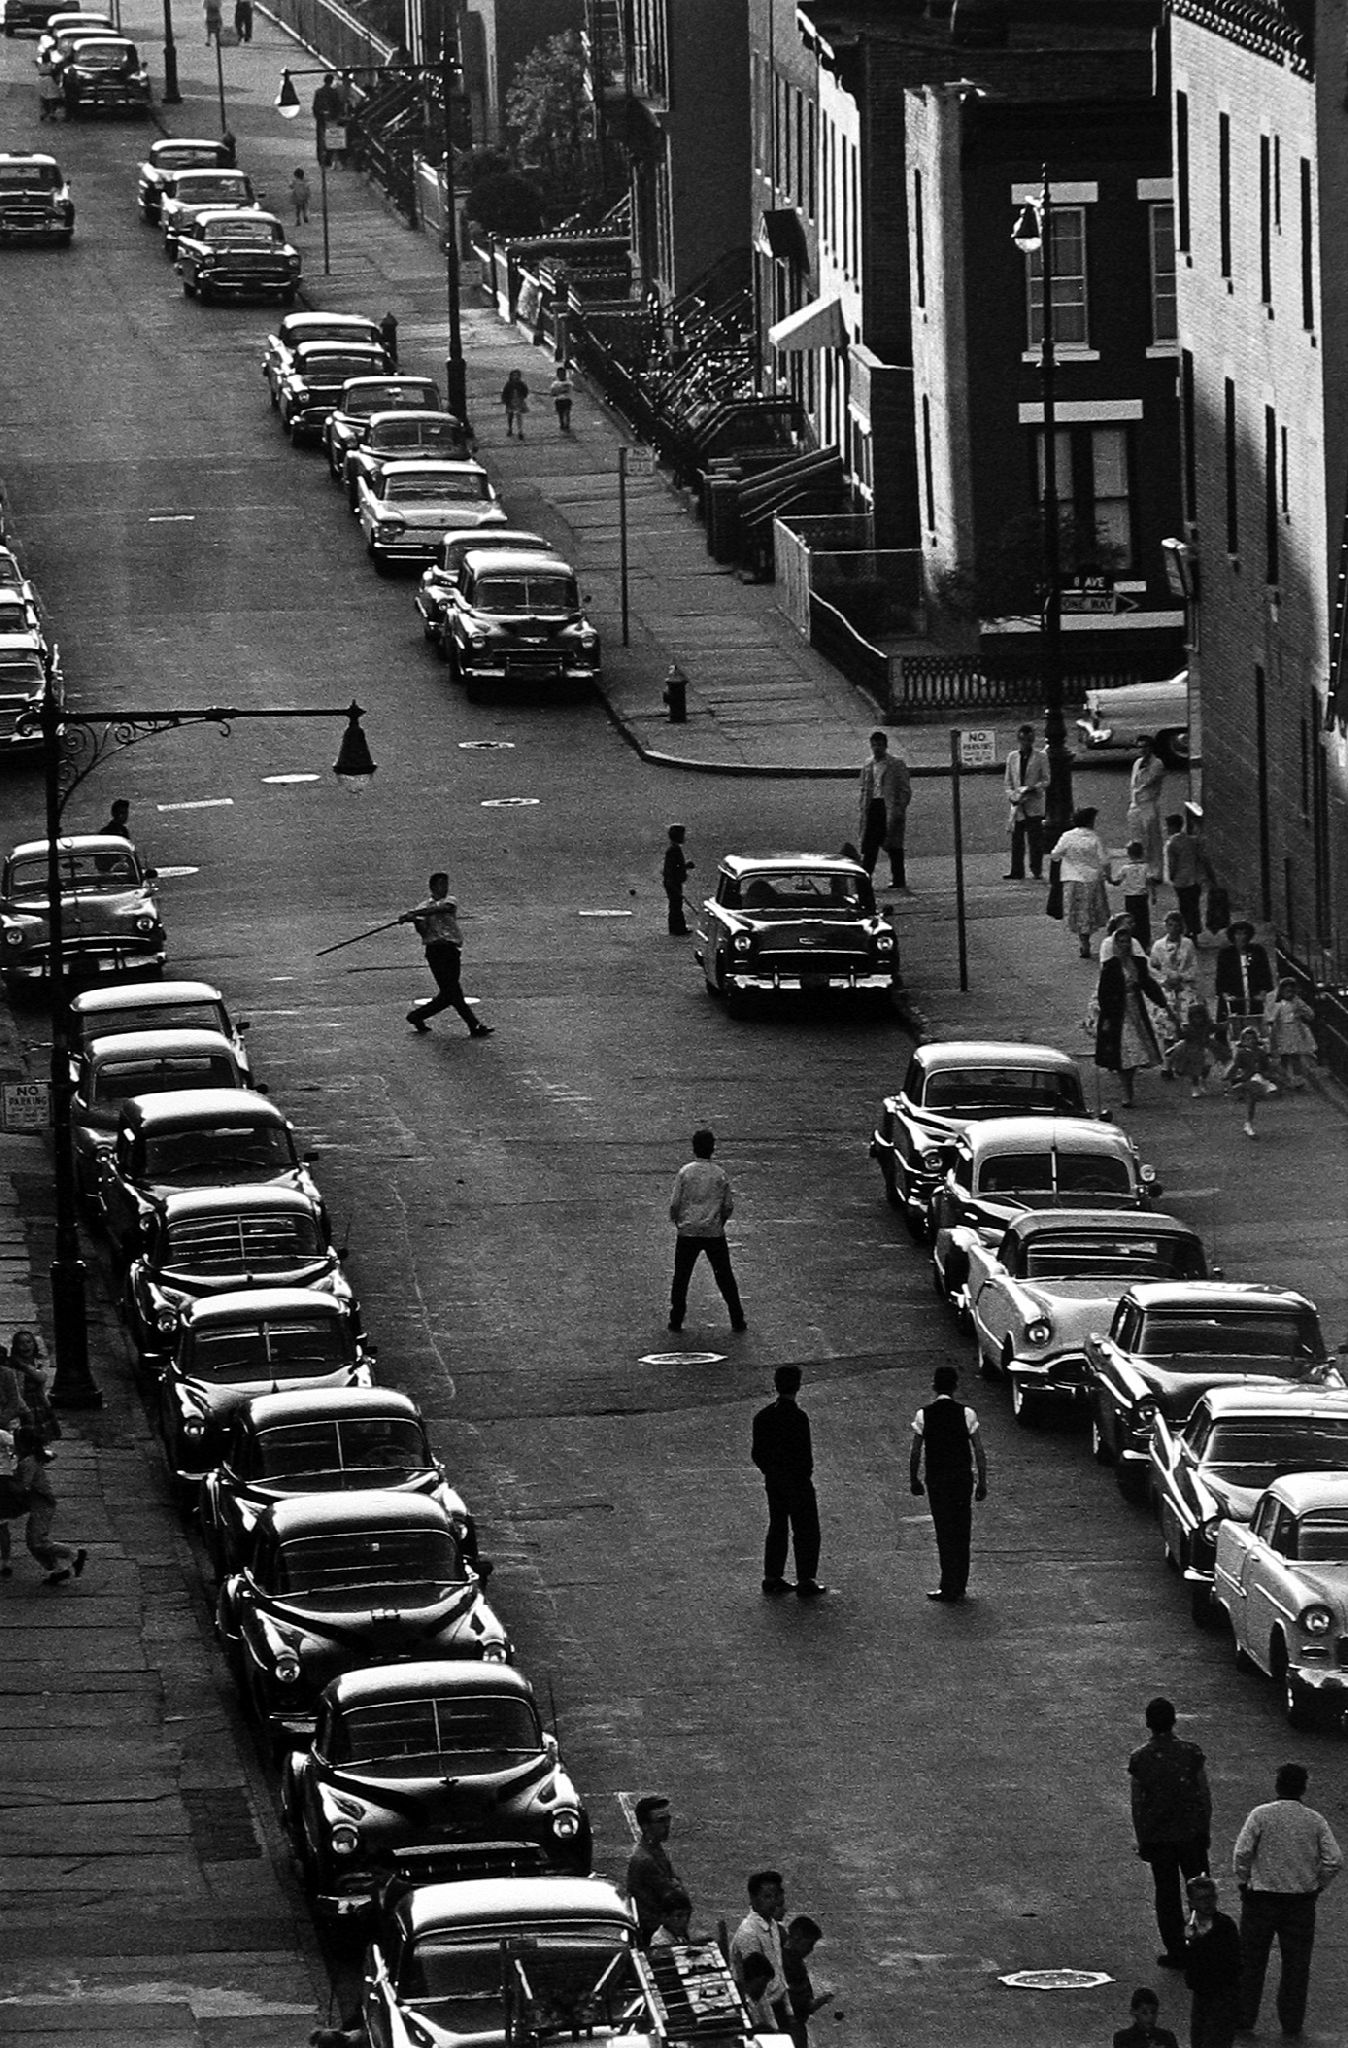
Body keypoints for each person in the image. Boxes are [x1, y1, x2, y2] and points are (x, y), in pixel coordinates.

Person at [1233, 1761, 1342, 2039]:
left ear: (1278, 1785)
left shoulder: (1260, 1816)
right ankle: (1291, 2023)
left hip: (1261, 1899)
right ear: (1303, 1788)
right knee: (1296, 1966)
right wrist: (1316, 1884)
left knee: (1251, 1961)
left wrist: (1244, 1881)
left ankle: (1244, 2017)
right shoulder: (1315, 1820)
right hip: (1300, 1902)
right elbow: (1334, 1860)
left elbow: (1243, 1853)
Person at [1127, 1695, 1212, 1970]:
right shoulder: (1191, 1753)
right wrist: (1204, 1830)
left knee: (1166, 1894)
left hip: (1159, 1838)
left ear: (1148, 1724)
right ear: (1174, 1721)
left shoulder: (1141, 1759)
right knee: (1199, 1890)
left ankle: (1176, 1950)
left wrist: (1143, 1839)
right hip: (1191, 1835)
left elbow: (1138, 1803)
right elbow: (1204, 1795)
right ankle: (1203, 1944)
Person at [909, 1363, 987, 1603]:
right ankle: (959, 1584)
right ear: (955, 1386)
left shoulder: (924, 1415)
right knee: (962, 1530)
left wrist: (914, 1479)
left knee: (944, 1531)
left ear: (934, 1386)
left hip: (938, 1480)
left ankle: (947, 1583)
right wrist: (982, 1482)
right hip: (961, 1478)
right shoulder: (967, 1414)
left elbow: (915, 1451)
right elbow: (979, 1451)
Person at [751, 1365, 825, 1600]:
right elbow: (805, 1454)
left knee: (777, 1526)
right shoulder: (798, 1417)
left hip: (774, 1480)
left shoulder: (763, 1416)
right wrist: (804, 1475)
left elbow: (757, 1453)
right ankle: (806, 1579)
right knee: (806, 1529)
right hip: (797, 1480)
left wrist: (770, 1471)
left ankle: (772, 1576)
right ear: (798, 1386)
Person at [667, 1128, 745, 1334]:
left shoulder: (685, 1172)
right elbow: (728, 1205)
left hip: (688, 1231)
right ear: (712, 1149)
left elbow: (675, 1204)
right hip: (713, 1231)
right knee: (724, 1275)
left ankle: (676, 1319)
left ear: (694, 1148)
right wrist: (719, 1222)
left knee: (682, 1276)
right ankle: (737, 1318)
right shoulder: (719, 1174)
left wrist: (679, 1221)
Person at [398, 873, 494, 1038]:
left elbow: (445, 909)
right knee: (452, 991)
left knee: (449, 993)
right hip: (435, 951)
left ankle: (416, 1016)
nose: (445, 888)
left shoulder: (448, 901)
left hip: (451, 950)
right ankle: (474, 1025)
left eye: (446, 884)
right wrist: (414, 920)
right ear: (433, 887)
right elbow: (423, 932)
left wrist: (415, 912)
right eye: (441, 885)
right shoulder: (423, 906)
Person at [0, 1422, 86, 1586]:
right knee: (33, 1543)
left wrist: (7, 1481)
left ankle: (73, 1554)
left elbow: (22, 1487)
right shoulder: (26, 1460)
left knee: (38, 1541)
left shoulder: (28, 1463)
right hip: (36, 1505)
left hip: (42, 1504)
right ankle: (57, 1570)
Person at [1096, 928, 1169, 1109]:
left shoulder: (1137, 963)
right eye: (1120, 942)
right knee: (1125, 1048)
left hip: (1135, 1009)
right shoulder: (1110, 966)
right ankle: (1126, 1090)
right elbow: (1103, 994)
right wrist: (1105, 1018)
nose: (1124, 945)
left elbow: (1148, 985)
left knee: (1136, 1048)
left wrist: (1163, 1003)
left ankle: (1129, 1082)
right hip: (1117, 1013)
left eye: (1127, 941)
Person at [1183, 1874, 1241, 2048]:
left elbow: (1234, 1961)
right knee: (1199, 2037)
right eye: (1201, 1899)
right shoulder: (1190, 1928)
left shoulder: (1225, 1926)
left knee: (1217, 2038)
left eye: (1211, 1897)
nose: (1207, 1903)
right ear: (1191, 1903)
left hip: (1222, 1994)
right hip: (1201, 1993)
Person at [731, 1871, 789, 2032]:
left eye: (775, 1896)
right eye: (767, 1896)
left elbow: (778, 1970)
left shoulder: (772, 1925)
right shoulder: (748, 1933)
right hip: (761, 2009)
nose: (772, 1902)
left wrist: (788, 2009)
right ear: (753, 1898)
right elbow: (756, 1982)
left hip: (776, 2004)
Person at [1049, 806, 1110, 958]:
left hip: (1072, 878)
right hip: (1091, 879)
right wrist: (1108, 876)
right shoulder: (1094, 838)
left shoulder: (1067, 836)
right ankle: (1087, 938)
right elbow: (1104, 861)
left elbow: (1055, 855)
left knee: (1077, 912)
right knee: (1089, 911)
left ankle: (1082, 940)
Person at [857, 730, 911, 889]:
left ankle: (898, 880)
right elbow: (864, 787)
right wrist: (862, 806)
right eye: (874, 745)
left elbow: (905, 789)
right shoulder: (868, 765)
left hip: (888, 807)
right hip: (872, 806)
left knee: (894, 846)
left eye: (880, 745)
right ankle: (865, 879)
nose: (877, 748)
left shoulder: (896, 764)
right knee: (870, 846)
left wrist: (899, 808)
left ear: (886, 746)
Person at [626, 1795, 679, 1946]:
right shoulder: (646, 1860)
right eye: (661, 1820)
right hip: (655, 1937)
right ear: (645, 1826)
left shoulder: (654, 1849)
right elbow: (673, 1895)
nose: (667, 1825)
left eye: (668, 1819)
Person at [1003, 723, 1050, 879]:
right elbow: (1008, 781)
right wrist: (1012, 795)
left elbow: (1046, 780)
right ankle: (1017, 870)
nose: (1026, 744)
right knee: (1017, 840)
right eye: (1023, 740)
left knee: (1035, 840)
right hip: (1018, 804)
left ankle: (1036, 869)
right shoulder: (1012, 757)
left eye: (1029, 740)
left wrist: (1033, 788)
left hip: (1033, 802)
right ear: (1019, 740)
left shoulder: (1041, 757)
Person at [781, 1915, 832, 2048]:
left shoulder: (784, 1957)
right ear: (797, 1938)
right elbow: (804, 2006)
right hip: (792, 2028)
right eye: (809, 1944)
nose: (811, 1950)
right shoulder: (793, 1966)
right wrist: (823, 2000)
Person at [1163, 808, 1214, 940]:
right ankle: (1195, 931)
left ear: (1172, 827)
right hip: (1195, 879)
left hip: (1181, 880)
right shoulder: (1192, 840)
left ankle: (1186, 930)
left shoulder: (1172, 844)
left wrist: (1171, 876)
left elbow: (1172, 864)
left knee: (1184, 908)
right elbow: (1202, 858)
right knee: (1194, 907)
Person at [1213, 921, 1274, 1029]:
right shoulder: (1226, 954)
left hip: (1254, 996)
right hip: (1235, 996)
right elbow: (1221, 977)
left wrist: (1263, 992)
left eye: (1244, 933)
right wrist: (1225, 994)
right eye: (1238, 934)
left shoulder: (1258, 951)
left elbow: (1265, 973)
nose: (1242, 937)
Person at [1226, 1024, 1278, 1139]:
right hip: (1248, 1077)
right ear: (1243, 1041)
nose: (1251, 1041)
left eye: (1253, 1039)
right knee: (1251, 1099)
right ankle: (1248, 1124)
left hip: (1260, 1077)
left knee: (1263, 1090)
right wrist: (1229, 1076)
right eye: (1248, 1039)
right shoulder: (1241, 1053)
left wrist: (1269, 1074)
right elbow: (1235, 1066)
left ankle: (1248, 1122)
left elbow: (1266, 1067)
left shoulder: (1261, 1053)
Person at [1128, 734, 1167, 886]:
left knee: (1152, 839)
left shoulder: (1156, 764)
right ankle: (1142, 871)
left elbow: (1146, 782)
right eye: (1139, 747)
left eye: (1145, 747)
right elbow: (1133, 784)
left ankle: (1155, 872)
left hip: (1148, 803)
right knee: (1137, 839)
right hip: (1135, 804)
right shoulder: (1137, 763)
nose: (1142, 750)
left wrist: (1144, 768)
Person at [1265, 976, 1317, 1087]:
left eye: (1291, 989)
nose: (1288, 992)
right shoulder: (1276, 1002)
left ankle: (1298, 1079)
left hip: (1294, 1030)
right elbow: (1270, 1017)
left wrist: (1301, 1011)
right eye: (1286, 989)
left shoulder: (1297, 1002)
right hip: (1281, 1031)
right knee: (1283, 1056)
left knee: (1295, 1056)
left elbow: (1310, 1014)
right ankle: (1285, 1079)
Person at [1169, 1000, 1226, 1099]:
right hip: (1192, 1050)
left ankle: (1203, 1079)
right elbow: (1181, 1035)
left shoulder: (1208, 1026)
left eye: (1200, 1017)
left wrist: (1227, 1023)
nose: (1198, 1020)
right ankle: (1195, 1086)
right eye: (1195, 1017)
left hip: (1207, 1048)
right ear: (1191, 1018)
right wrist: (1177, 1026)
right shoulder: (1189, 1028)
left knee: (1207, 1066)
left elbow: (1217, 1027)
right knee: (1194, 1070)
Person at [1149, 910, 1200, 1016]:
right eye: (1170, 925)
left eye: (1177, 926)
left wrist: (1181, 977)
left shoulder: (1188, 944)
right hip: (1166, 987)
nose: (1173, 929)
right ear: (1166, 926)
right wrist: (1164, 980)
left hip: (1185, 985)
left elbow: (1193, 966)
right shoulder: (1158, 946)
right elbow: (1153, 968)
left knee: (1189, 1012)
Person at [1110, 839, 1153, 951]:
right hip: (1142, 896)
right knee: (1143, 918)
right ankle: (1145, 940)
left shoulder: (1125, 868)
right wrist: (1154, 894)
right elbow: (1149, 881)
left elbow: (1117, 881)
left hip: (1130, 897)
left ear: (1129, 854)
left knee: (1130, 919)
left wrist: (1109, 878)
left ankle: (1132, 937)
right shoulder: (1146, 867)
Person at [1112, 1986, 1179, 2048]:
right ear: (1134, 2012)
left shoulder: (1167, 2037)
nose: (1150, 2017)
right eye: (1144, 2013)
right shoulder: (1123, 2038)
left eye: (1153, 2012)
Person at [662, 823, 692, 937]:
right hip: (673, 883)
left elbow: (674, 867)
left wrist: (685, 867)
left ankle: (676, 928)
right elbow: (670, 869)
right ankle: (678, 929)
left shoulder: (674, 849)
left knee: (675, 904)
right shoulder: (674, 850)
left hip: (672, 882)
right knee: (676, 905)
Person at [738, 1953, 778, 2032]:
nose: (764, 1987)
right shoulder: (740, 2004)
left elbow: (773, 2026)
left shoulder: (763, 2001)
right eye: (764, 1982)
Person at [312, 73, 342, 167]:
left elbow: (315, 106)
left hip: (321, 119)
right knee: (331, 139)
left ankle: (321, 160)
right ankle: (329, 160)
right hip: (331, 119)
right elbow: (337, 106)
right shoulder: (334, 92)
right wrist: (336, 116)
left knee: (321, 139)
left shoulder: (319, 92)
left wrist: (318, 116)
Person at [501, 370, 530, 438]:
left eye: (517, 375)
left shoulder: (521, 384)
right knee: (510, 415)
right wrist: (504, 400)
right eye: (514, 375)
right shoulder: (509, 384)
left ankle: (520, 431)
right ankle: (510, 428)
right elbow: (505, 392)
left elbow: (525, 391)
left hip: (519, 401)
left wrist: (522, 397)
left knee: (518, 415)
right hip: (510, 401)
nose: (515, 377)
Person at [549, 364, 575, 432]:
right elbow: (552, 392)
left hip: (567, 400)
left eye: (563, 374)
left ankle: (567, 424)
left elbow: (568, 389)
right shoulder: (555, 383)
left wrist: (558, 391)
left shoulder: (569, 383)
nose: (561, 375)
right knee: (560, 413)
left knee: (567, 412)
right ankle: (562, 423)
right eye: (560, 374)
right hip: (559, 400)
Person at [38, 51, 62, 121]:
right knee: (52, 97)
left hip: (41, 80)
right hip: (49, 80)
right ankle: (51, 113)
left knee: (43, 97)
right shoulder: (51, 65)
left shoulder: (40, 65)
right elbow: (55, 71)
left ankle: (44, 112)